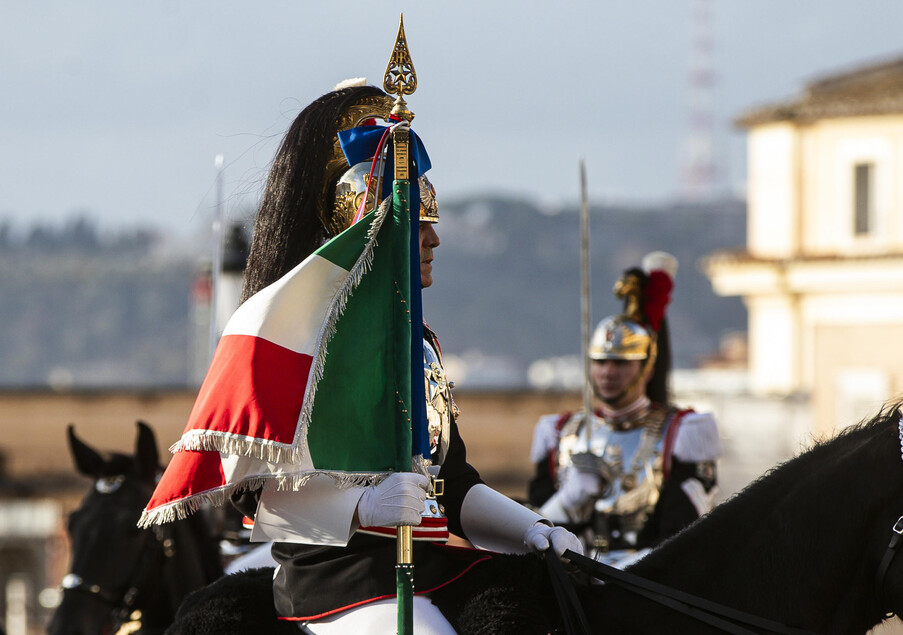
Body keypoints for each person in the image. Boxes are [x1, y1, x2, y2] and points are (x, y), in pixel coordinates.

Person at [142, 79, 581, 634]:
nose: (434, 239)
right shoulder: (304, 344)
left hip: (434, 568)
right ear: (369, 231)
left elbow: (455, 481)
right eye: (416, 223)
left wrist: (530, 528)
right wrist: (362, 510)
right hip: (340, 584)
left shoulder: (418, 343)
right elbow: (258, 496)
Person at [528, 253, 722, 567]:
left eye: (621, 363)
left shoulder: (682, 433)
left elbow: (686, 536)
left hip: (646, 587)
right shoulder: (560, 433)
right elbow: (530, 531)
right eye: (600, 362)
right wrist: (568, 501)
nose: (607, 373)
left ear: (646, 367)